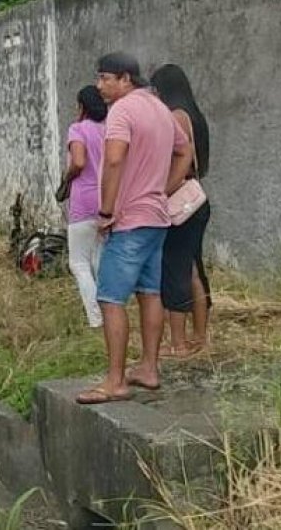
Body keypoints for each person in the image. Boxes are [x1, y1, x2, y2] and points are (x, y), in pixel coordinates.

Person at [77, 53, 193, 405]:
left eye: (104, 78)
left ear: (125, 79)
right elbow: (184, 150)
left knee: (110, 297)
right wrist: (163, 188)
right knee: (149, 293)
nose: (100, 86)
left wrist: (107, 210)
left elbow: (113, 159)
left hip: (129, 219)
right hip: (156, 217)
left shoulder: (122, 111)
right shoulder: (159, 107)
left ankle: (115, 381)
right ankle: (149, 368)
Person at [152, 64, 213, 358]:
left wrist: (161, 191)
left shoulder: (175, 116)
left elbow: (181, 160)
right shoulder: (195, 116)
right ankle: (200, 336)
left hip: (179, 202)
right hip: (196, 202)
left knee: (176, 269)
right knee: (193, 269)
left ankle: (177, 342)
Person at [57, 86, 109, 329]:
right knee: (99, 258)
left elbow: (78, 161)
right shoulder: (109, 130)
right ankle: (109, 308)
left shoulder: (77, 129)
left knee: (78, 262)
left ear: (82, 107)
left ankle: (95, 317)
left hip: (83, 201)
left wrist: (67, 178)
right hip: (106, 199)